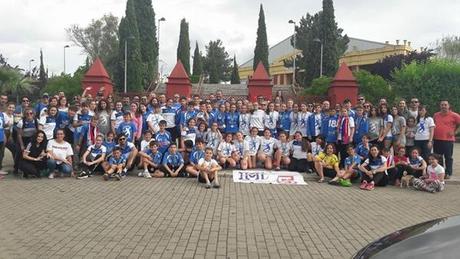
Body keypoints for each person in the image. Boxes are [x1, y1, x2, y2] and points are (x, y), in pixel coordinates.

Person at [433, 100, 460, 179]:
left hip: (448, 140)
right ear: (440, 106)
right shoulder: (436, 115)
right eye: (442, 105)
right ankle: (440, 172)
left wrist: (455, 132)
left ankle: (448, 172)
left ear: (449, 106)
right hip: (437, 139)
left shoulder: (454, 115)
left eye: (445, 105)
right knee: (438, 157)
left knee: (448, 157)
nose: (443, 106)